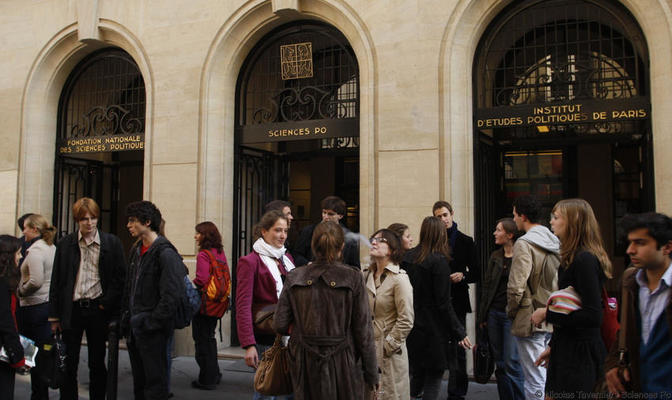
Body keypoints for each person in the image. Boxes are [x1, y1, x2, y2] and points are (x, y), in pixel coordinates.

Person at [274, 221, 378, 399]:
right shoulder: (353, 277)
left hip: (304, 361)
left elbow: (280, 324)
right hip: (343, 362)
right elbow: (363, 331)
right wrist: (371, 373)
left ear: (314, 246)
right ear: (342, 246)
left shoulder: (295, 276)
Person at [530, 199, 612, 398]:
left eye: (556, 217)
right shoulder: (571, 258)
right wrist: (553, 346)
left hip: (580, 357)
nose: (551, 222)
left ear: (573, 222)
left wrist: (547, 314)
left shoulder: (584, 260)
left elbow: (593, 316)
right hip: (566, 350)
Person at [48, 197, 126, 400]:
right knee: (69, 362)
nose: (89, 223)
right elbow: (57, 281)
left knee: (97, 363)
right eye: (84, 219)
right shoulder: (66, 244)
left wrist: (105, 304)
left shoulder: (111, 243)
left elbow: (120, 279)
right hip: (72, 309)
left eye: (93, 218)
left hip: (97, 309)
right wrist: (54, 317)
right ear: (77, 220)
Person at [121, 201, 186, 399]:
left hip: (152, 331)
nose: (128, 225)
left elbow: (170, 296)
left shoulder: (165, 253)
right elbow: (129, 287)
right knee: (140, 384)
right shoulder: (136, 250)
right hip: (136, 328)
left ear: (147, 222)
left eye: (133, 221)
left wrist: (152, 323)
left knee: (155, 385)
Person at [404, 216, 472, 400]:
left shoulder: (408, 258)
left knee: (417, 376)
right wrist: (459, 331)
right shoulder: (438, 262)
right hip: (434, 330)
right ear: (440, 234)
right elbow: (443, 303)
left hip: (413, 325)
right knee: (433, 378)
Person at [605, 212, 672, 396]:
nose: (630, 250)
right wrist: (615, 365)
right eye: (630, 242)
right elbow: (626, 332)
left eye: (640, 243)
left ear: (666, 247)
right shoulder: (632, 284)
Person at [235, 210, 295, 400]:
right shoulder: (250, 262)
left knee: (289, 393)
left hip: (291, 339)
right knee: (266, 393)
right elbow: (243, 305)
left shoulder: (287, 259)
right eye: (277, 230)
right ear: (263, 231)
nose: (282, 235)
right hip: (265, 341)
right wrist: (248, 344)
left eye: (285, 231)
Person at [507, 195, 559, 400]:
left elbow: (516, 285)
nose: (514, 219)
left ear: (523, 216)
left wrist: (512, 311)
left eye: (514, 215)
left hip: (530, 316)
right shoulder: (554, 240)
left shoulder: (524, 243)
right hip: (552, 311)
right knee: (545, 374)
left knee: (534, 377)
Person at [432, 200, 479, 400]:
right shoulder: (433, 242)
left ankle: (457, 393)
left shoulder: (466, 241)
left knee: (459, 347)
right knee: (436, 345)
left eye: (445, 215)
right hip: (437, 302)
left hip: (457, 299)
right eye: (438, 217)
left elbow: (477, 272)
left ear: (452, 213)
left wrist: (463, 276)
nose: (443, 220)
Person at [362, 228, 414, 399]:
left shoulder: (399, 279)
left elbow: (406, 320)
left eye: (380, 240)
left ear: (392, 249)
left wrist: (388, 346)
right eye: (373, 239)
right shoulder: (366, 275)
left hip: (390, 356)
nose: (374, 242)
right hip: (368, 353)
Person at [477, 218, 524, 400]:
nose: (494, 233)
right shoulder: (495, 257)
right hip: (494, 313)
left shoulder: (521, 256)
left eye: (498, 230)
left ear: (510, 235)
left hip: (511, 314)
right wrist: (482, 316)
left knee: (512, 362)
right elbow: (487, 287)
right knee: (500, 364)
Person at [17, 214, 57, 400]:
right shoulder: (51, 247)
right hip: (46, 306)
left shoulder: (35, 251)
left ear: (34, 229)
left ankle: (38, 395)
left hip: (33, 307)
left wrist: (20, 291)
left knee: (34, 356)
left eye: (25, 227)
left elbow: (35, 280)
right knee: (43, 354)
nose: (23, 231)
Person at [191, 221, 226, 390]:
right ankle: (214, 374)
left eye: (198, 233)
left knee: (201, 340)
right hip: (217, 304)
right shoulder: (219, 252)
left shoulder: (204, 255)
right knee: (209, 338)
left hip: (204, 304)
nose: (195, 236)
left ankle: (207, 378)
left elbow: (202, 279)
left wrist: (193, 283)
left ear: (205, 235)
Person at [292, 196, 360, 268]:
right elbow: (296, 255)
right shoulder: (309, 231)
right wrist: (308, 264)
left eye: (331, 214)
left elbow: (355, 266)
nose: (326, 217)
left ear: (340, 216)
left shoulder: (349, 237)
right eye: (324, 212)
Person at [0, 235, 28, 400]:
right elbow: (5, 322)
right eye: (18, 253)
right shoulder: (3, 284)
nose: (21, 256)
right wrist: (17, 355)